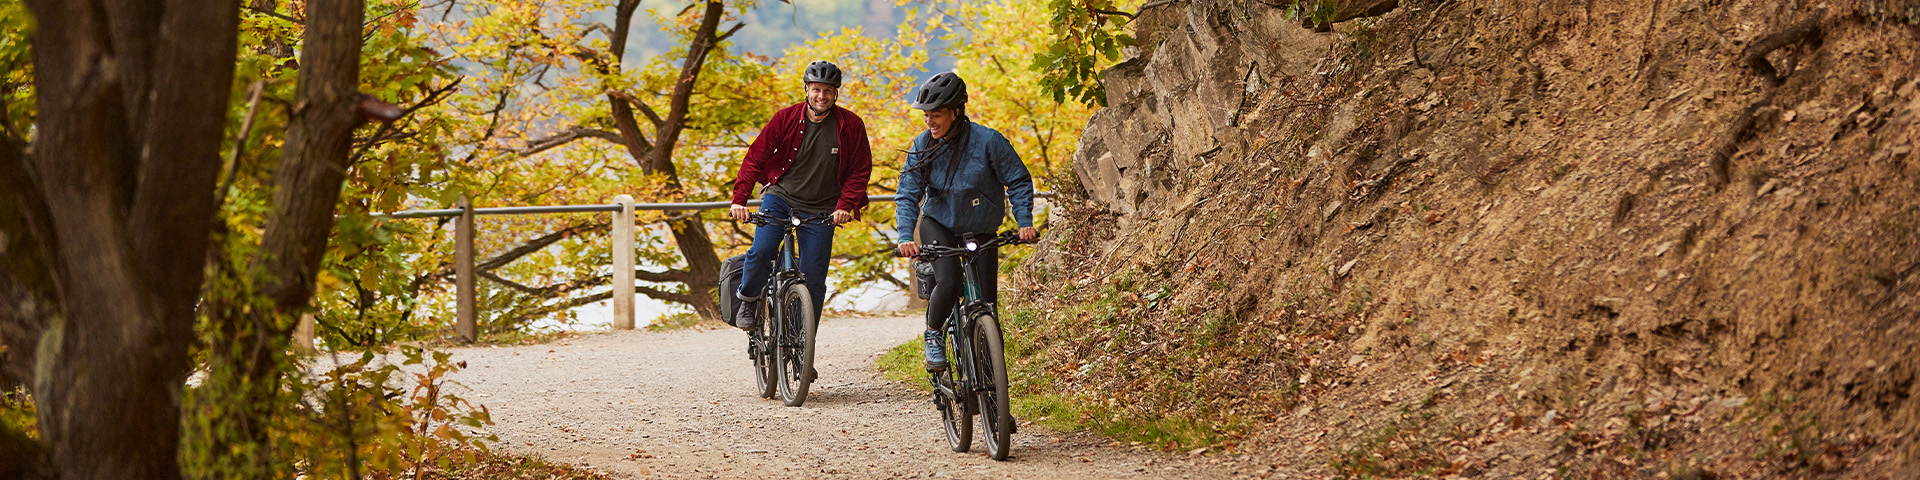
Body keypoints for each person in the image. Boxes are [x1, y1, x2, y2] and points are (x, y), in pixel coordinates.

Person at [894, 72, 1036, 371]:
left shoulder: (989, 142)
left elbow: (1019, 181)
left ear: (956, 111)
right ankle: (933, 335)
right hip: (939, 224)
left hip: (981, 226)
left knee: (987, 304)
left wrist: (1024, 221)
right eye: (926, 116)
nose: (929, 122)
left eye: (936, 115)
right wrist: (906, 236)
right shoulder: (922, 145)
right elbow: (908, 193)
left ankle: (991, 390)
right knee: (949, 280)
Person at [729, 61, 873, 329]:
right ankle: (748, 299)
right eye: (816, 89)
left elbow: (860, 170)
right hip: (781, 197)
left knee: (815, 279)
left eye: (828, 90)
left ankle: (802, 343)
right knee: (762, 250)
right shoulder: (784, 118)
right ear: (806, 90)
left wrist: (845, 205)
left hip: (823, 208)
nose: (822, 96)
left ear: (836, 93)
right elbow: (754, 159)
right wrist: (740, 199)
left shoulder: (851, 125)